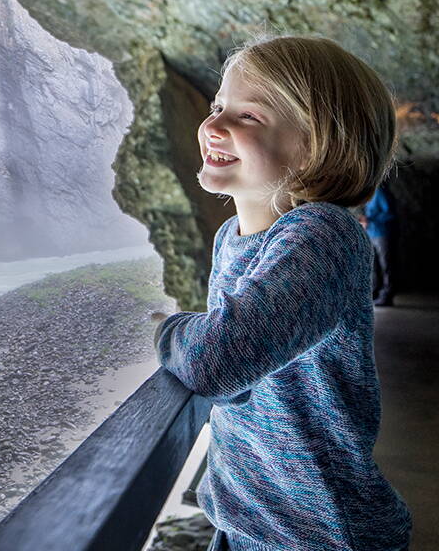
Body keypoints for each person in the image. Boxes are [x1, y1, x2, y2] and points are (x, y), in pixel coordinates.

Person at [153, 32, 412, 551]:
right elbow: (242, 378)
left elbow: (214, 362)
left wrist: (163, 327)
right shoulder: (234, 238)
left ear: (319, 145)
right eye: (217, 106)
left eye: (248, 116)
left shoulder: (322, 234)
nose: (212, 125)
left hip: (316, 533)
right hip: (252, 520)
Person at [362, 184, 397, 306]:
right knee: (374, 266)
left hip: (382, 233)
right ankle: (374, 293)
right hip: (371, 233)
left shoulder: (379, 191)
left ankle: (387, 295)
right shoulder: (369, 192)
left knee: (386, 265)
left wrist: (370, 219)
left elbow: (390, 213)